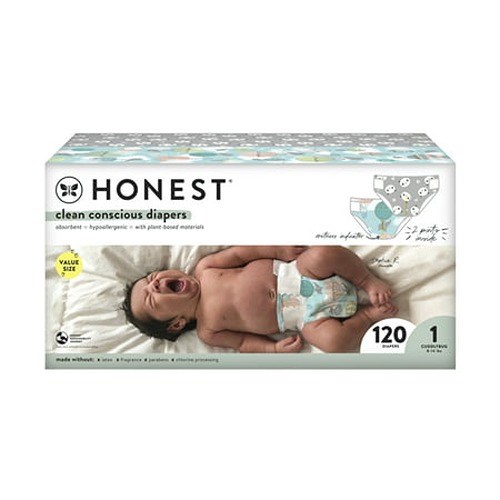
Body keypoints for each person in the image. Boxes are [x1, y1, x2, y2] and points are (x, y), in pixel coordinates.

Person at [122, 246, 398, 353]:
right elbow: (243, 343)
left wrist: (278, 250)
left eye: (152, 278)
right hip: (305, 318)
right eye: (152, 299)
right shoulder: (209, 330)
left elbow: (243, 253)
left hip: (299, 273)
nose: (155, 284)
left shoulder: (205, 269)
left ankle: (367, 281)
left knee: (322, 254)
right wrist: (272, 349)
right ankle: (368, 316)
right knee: (332, 342)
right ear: (176, 323)